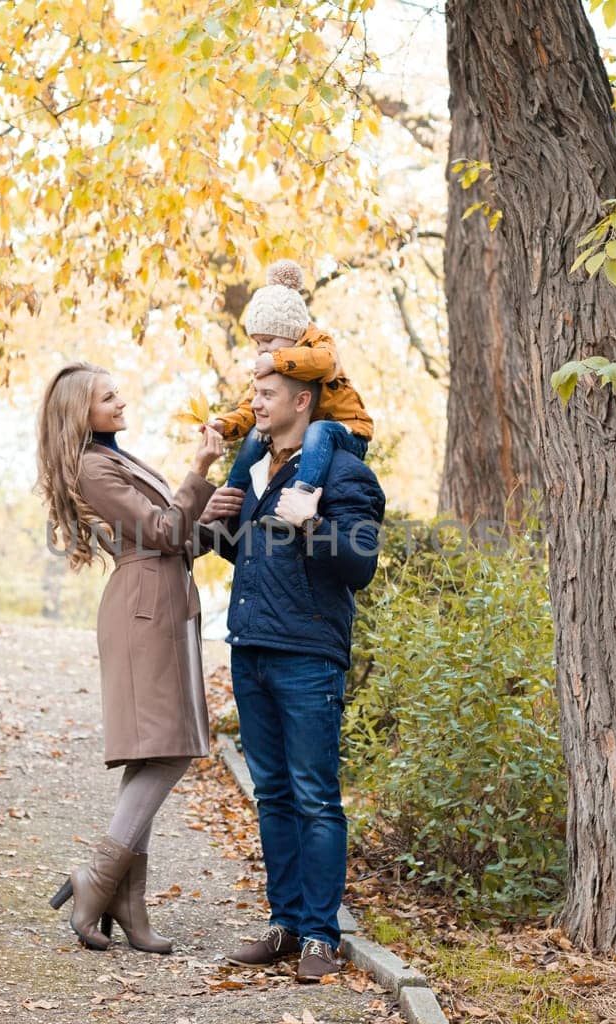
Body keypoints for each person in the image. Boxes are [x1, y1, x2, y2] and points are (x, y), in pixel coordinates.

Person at [197, 366, 386, 981]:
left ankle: (320, 938)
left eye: (266, 395)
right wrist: (220, 517)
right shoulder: (254, 467)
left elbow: (360, 564)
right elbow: (243, 550)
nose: (254, 402)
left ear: (302, 401)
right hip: (249, 647)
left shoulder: (342, 471)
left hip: (307, 655)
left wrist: (313, 521)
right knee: (272, 794)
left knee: (315, 798)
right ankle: (283, 924)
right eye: (253, 393)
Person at [36, 361, 225, 953]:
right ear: (80, 413)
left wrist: (207, 511)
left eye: (118, 393)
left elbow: (178, 532)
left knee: (154, 753)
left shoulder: (120, 460)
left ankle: (127, 900)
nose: (121, 403)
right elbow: (163, 533)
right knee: (169, 753)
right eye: (107, 398)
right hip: (143, 606)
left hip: (162, 601)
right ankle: (97, 877)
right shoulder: (94, 469)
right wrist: (197, 472)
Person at [208, 261, 373, 530]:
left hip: (347, 432)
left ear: (290, 332)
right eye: (258, 343)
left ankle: (299, 499)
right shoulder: (271, 366)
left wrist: (276, 360)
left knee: (318, 430)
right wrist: (223, 425)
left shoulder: (316, 343)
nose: (262, 349)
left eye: (268, 341)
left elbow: (327, 363)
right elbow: (253, 406)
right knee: (255, 437)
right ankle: (230, 507)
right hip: (310, 437)